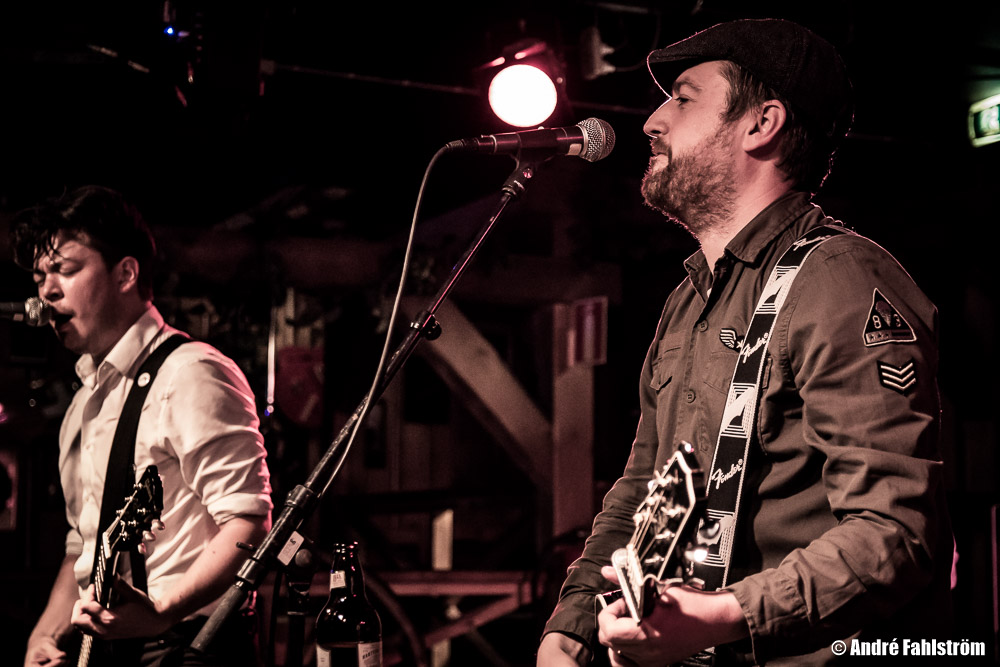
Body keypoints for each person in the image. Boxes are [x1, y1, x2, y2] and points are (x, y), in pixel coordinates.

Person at [537, 18, 953, 666]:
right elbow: (645, 485)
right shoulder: (688, 300)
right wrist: (572, 627)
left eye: (683, 98)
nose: (652, 122)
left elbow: (895, 532)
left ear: (762, 124)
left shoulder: (839, 279)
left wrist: (727, 616)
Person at [13, 185, 274, 666]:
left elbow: (249, 523)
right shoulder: (83, 402)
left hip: (190, 646)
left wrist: (161, 612)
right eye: (39, 276)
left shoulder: (190, 373)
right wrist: (43, 635)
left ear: (126, 274)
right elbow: (82, 547)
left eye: (65, 270)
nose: (46, 291)